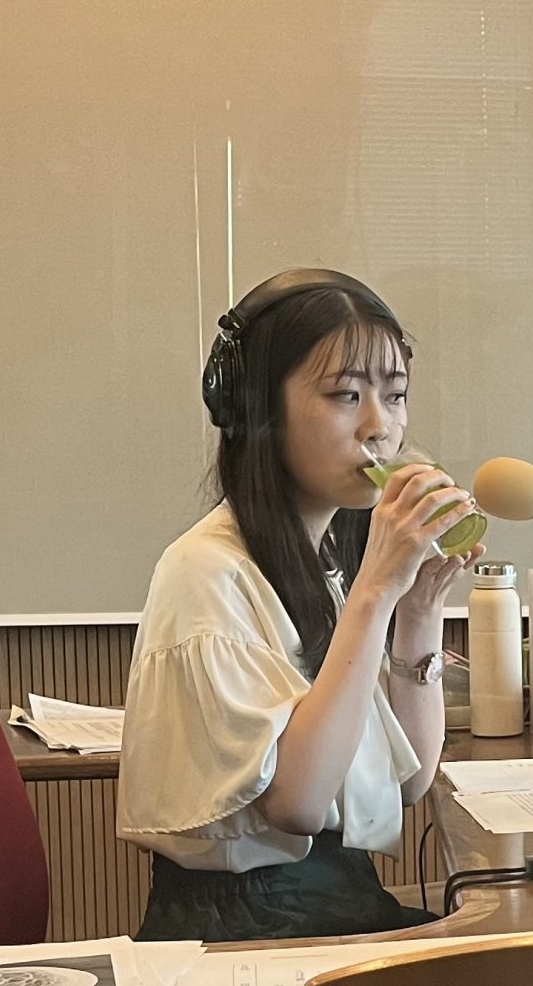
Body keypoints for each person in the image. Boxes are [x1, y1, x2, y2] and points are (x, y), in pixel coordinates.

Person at [118, 269, 482, 941]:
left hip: (329, 906)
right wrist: (376, 592)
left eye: (395, 395)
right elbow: (299, 803)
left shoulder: (326, 562)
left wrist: (420, 609)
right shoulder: (207, 571)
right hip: (246, 929)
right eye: (347, 395)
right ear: (259, 411)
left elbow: (411, 780)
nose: (380, 427)